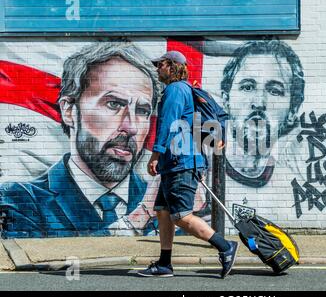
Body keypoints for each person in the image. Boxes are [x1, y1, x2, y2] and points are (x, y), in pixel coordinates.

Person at [0, 42, 160, 237]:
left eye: (143, 111)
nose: (131, 127)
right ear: (68, 111)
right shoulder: (22, 199)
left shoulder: (160, 199)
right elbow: (40, 260)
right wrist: (140, 217)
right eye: (113, 104)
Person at [137, 51, 238, 278]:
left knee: (181, 216)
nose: (157, 68)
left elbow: (168, 124)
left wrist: (155, 154)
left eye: (160, 64)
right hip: (175, 163)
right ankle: (164, 264)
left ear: (172, 66)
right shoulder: (179, 90)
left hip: (181, 163)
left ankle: (225, 247)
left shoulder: (175, 90)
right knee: (163, 212)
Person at [220, 40, 305, 187]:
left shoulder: (293, 184)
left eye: (274, 91)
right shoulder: (199, 168)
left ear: (293, 110)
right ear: (226, 100)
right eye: (247, 87)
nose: (259, 103)